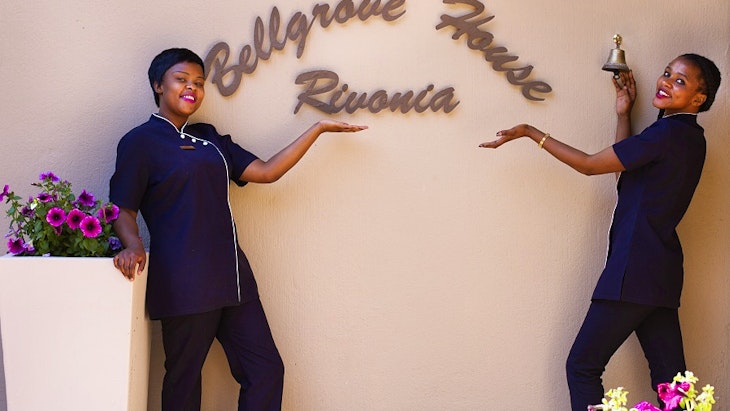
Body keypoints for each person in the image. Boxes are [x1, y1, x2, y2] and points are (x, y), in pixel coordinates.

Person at [109, 47, 367, 411]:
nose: (192, 88)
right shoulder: (140, 142)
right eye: (181, 80)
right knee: (184, 383)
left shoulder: (210, 138)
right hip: (184, 283)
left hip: (234, 281)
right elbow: (122, 207)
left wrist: (318, 129)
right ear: (158, 85)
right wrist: (132, 244)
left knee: (266, 370)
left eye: (199, 82)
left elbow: (267, 171)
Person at [479, 53, 721, 410]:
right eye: (667, 73)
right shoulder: (688, 137)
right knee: (673, 384)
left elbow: (592, 165)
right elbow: (624, 167)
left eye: (680, 81)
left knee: (582, 366)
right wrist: (623, 114)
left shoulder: (666, 134)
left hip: (633, 269)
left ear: (699, 98)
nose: (667, 82)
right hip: (661, 271)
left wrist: (532, 132)